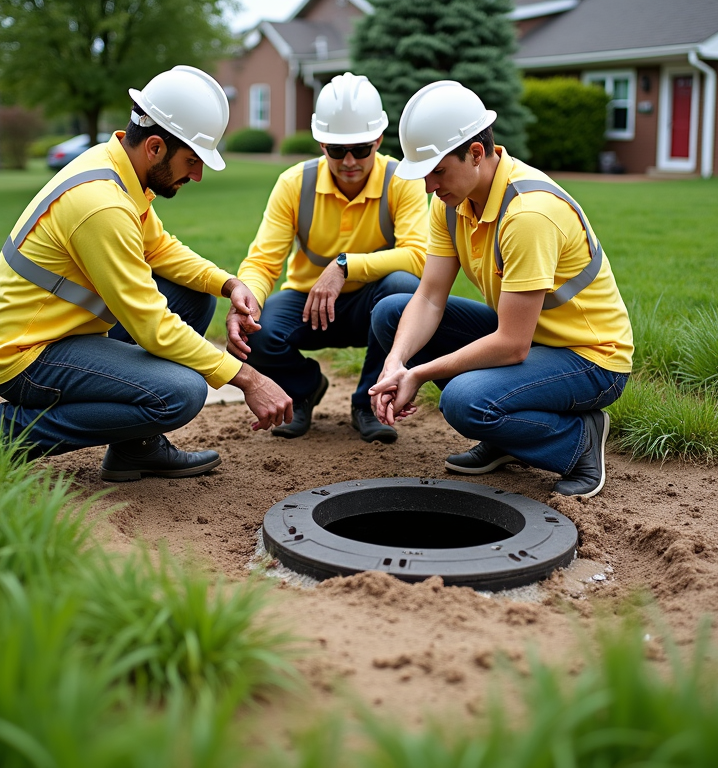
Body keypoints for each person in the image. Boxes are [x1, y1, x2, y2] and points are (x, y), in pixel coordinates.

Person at [0, 66, 292, 481]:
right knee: (181, 393)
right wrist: (248, 379)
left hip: (63, 334)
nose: (197, 175)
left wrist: (229, 284)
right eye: (192, 160)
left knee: (195, 296)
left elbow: (158, 247)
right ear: (155, 146)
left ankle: (134, 449)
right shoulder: (101, 205)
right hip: (26, 356)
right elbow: (151, 325)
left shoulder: (118, 170)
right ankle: (4, 432)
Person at [369, 80, 633, 498]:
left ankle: (579, 440)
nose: (428, 187)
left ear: (476, 153)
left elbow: (511, 345)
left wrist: (418, 373)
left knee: (461, 401)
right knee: (392, 313)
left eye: (437, 171)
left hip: (589, 358)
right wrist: (395, 363)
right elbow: (429, 296)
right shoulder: (452, 202)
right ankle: (508, 433)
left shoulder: (529, 214)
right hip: (530, 340)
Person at [227, 72, 427, 443]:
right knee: (254, 327)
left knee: (404, 289)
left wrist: (344, 265)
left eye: (361, 149)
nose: (349, 160)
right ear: (321, 144)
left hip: (375, 308)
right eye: (337, 150)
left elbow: (420, 257)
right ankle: (303, 388)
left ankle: (370, 401)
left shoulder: (403, 179)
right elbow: (263, 261)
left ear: (379, 140)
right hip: (308, 306)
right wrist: (246, 300)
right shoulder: (294, 183)